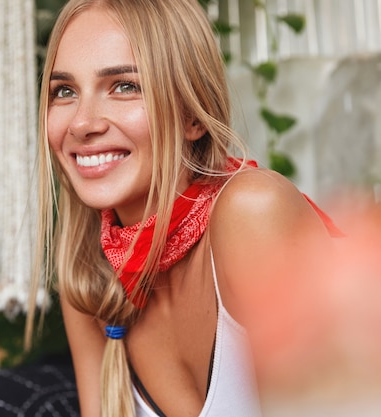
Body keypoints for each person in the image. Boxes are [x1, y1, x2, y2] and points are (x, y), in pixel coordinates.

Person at [28, 0, 340, 416]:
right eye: (64, 91)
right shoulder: (92, 276)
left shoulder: (252, 214)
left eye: (125, 86)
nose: (82, 123)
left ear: (193, 115)